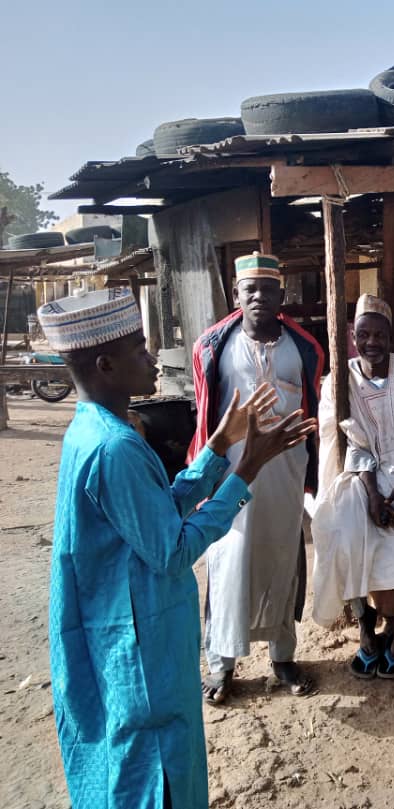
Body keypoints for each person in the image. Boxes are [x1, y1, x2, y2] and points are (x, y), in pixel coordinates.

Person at [41, 287, 315, 808]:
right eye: (139, 350)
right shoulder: (115, 448)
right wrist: (247, 468)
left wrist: (216, 449)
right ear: (105, 364)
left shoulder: (97, 429)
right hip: (140, 645)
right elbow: (172, 548)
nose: (150, 358)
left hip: (131, 628)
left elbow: (158, 508)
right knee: (154, 775)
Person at [189, 251, 325, 703]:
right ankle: (220, 665)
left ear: (281, 295)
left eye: (268, 289)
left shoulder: (304, 347)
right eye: (250, 290)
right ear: (236, 295)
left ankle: (283, 656)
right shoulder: (213, 346)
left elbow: (313, 406)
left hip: (285, 474)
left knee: (282, 559)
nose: (259, 297)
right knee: (229, 563)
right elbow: (206, 414)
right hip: (232, 477)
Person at [310, 294, 394, 679]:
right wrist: (376, 493)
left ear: (391, 336)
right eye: (364, 335)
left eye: (379, 334)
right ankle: (365, 625)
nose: (372, 342)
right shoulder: (339, 380)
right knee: (340, 525)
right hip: (362, 474)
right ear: (352, 337)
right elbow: (342, 440)